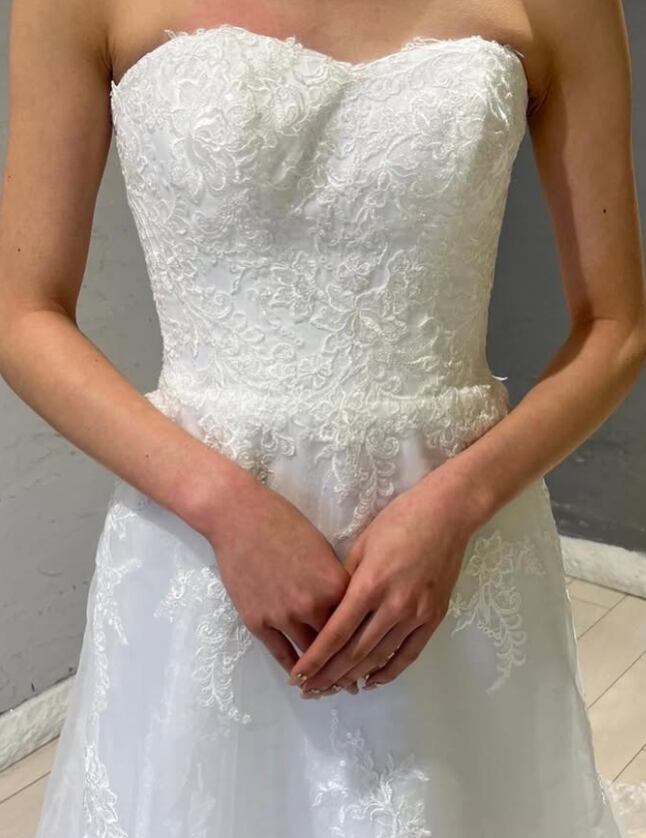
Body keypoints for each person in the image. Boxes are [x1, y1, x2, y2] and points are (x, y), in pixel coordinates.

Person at [1, 0, 646, 835]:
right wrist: (221, 507)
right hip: (203, 557)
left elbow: (616, 328)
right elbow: (23, 315)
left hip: (461, 556)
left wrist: (460, 503)